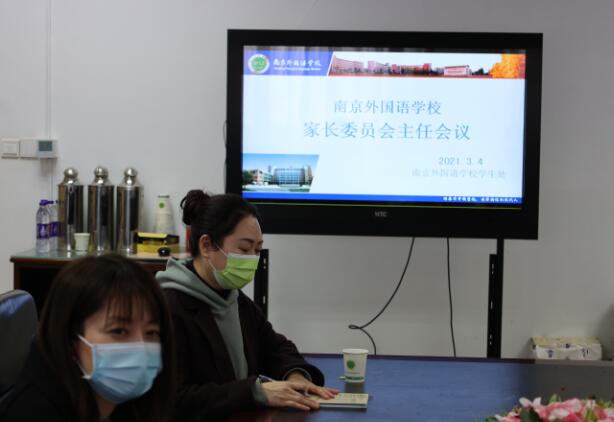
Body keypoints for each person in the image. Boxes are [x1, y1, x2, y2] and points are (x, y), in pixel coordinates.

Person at [156, 190, 338, 421]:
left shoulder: (235, 300)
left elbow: (276, 348)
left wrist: (296, 375)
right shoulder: (168, 307)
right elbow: (175, 399)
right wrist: (255, 392)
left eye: (257, 250)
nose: (252, 258)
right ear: (206, 245)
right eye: (244, 249)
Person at [0, 254, 176, 422]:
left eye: (151, 332)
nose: (141, 346)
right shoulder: (33, 412)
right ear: (70, 339)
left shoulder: (133, 404)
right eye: (119, 331)